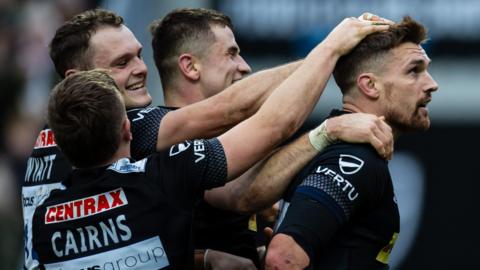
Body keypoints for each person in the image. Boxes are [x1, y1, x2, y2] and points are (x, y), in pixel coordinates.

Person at [23, 8, 393, 269]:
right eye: (120, 64)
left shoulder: (49, 172)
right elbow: (240, 129)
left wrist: (204, 258)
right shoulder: (149, 150)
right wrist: (330, 56)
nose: (140, 69)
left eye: (138, 56)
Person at [148, 8, 395, 268]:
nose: (244, 66)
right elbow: (243, 194)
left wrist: (257, 253)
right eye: (231, 53)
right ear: (190, 66)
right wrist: (328, 128)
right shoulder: (168, 144)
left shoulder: (220, 137)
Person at [265, 16, 438, 270]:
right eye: (414, 71)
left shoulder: (339, 149)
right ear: (369, 85)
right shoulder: (356, 158)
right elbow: (283, 258)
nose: (432, 84)